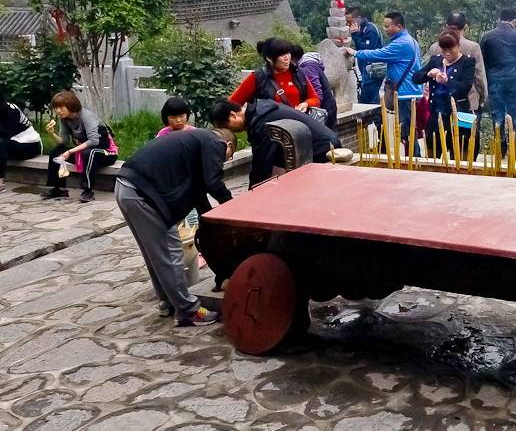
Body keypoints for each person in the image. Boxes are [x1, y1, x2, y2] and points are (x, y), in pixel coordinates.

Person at [116, 128, 235, 326]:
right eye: (225, 159)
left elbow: (200, 193)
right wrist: (233, 208)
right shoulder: (216, 143)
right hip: (142, 193)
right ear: (229, 146)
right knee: (170, 253)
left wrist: (211, 221)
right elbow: (213, 182)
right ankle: (189, 310)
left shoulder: (194, 143)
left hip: (126, 186)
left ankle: (167, 302)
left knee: (155, 254)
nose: (222, 163)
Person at [343, 11, 422, 156]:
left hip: (405, 92)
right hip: (408, 90)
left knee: (407, 132)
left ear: (398, 26)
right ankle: (413, 158)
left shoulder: (401, 44)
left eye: (387, 26)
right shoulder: (409, 40)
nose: (385, 30)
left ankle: (415, 160)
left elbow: (378, 54)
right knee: (407, 130)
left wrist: (355, 53)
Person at [210, 99, 336, 186]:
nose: (231, 131)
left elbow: (261, 167)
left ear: (233, 115)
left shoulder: (261, 124)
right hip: (327, 141)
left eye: (227, 126)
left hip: (322, 150)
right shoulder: (262, 109)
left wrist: (251, 198)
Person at [428, 12, 489, 158]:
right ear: (465, 27)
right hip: (466, 107)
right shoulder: (473, 47)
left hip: (439, 105)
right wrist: (481, 100)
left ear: (446, 26)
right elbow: (479, 77)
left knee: (437, 147)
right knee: (464, 146)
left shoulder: (435, 47)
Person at [42, 91, 117, 202]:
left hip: (105, 153)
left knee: (89, 152)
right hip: (84, 151)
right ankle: (59, 189)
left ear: (71, 105)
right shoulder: (64, 119)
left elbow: (94, 141)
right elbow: (64, 141)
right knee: (56, 152)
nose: (58, 111)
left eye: (61, 107)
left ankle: (88, 190)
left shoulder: (86, 116)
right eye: (56, 108)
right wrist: (52, 133)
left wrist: (70, 152)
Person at [413, 31, 476, 159]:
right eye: (444, 49)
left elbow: (464, 88)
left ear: (458, 46)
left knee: (459, 154)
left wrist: (447, 81)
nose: (447, 53)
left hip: (458, 115)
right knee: (432, 154)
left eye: (450, 49)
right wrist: (428, 74)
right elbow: (416, 77)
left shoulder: (467, 62)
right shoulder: (436, 60)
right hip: (436, 114)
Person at [229, 37, 320, 112]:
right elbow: (232, 104)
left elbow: (315, 98)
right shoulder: (257, 78)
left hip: (299, 127)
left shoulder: (298, 72)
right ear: (269, 58)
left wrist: (306, 104)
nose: (287, 58)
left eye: (288, 53)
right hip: (271, 129)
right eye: (282, 55)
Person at [481, 8, 516, 155]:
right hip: (513, 78)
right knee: (514, 112)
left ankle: (501, 147)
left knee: (497, 113)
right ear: (514, 21)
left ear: (499, 19)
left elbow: (484, 58)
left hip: (494, 79)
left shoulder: (487, 36)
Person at [0, 91, 43, 193]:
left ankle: (0, 182)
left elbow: (6, 135)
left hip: (30, 145)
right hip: (12, 144)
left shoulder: (11, 111)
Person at [292, 43, 338, 130]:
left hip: (324, 111)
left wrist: (311, 109)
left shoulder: (307, 68)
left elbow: (317, 94)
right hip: (329, 107)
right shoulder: (309, 63)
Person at [347, 6, 384, 104]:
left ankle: (376, 119)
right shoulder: (361, 29)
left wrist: (355, 35)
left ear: (358, 18)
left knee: (370, 99)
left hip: (373, 69)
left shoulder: (370, 29)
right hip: (365, 69)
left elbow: (367, 51)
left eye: (350, 21)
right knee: (365, 97)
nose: (349, 24)